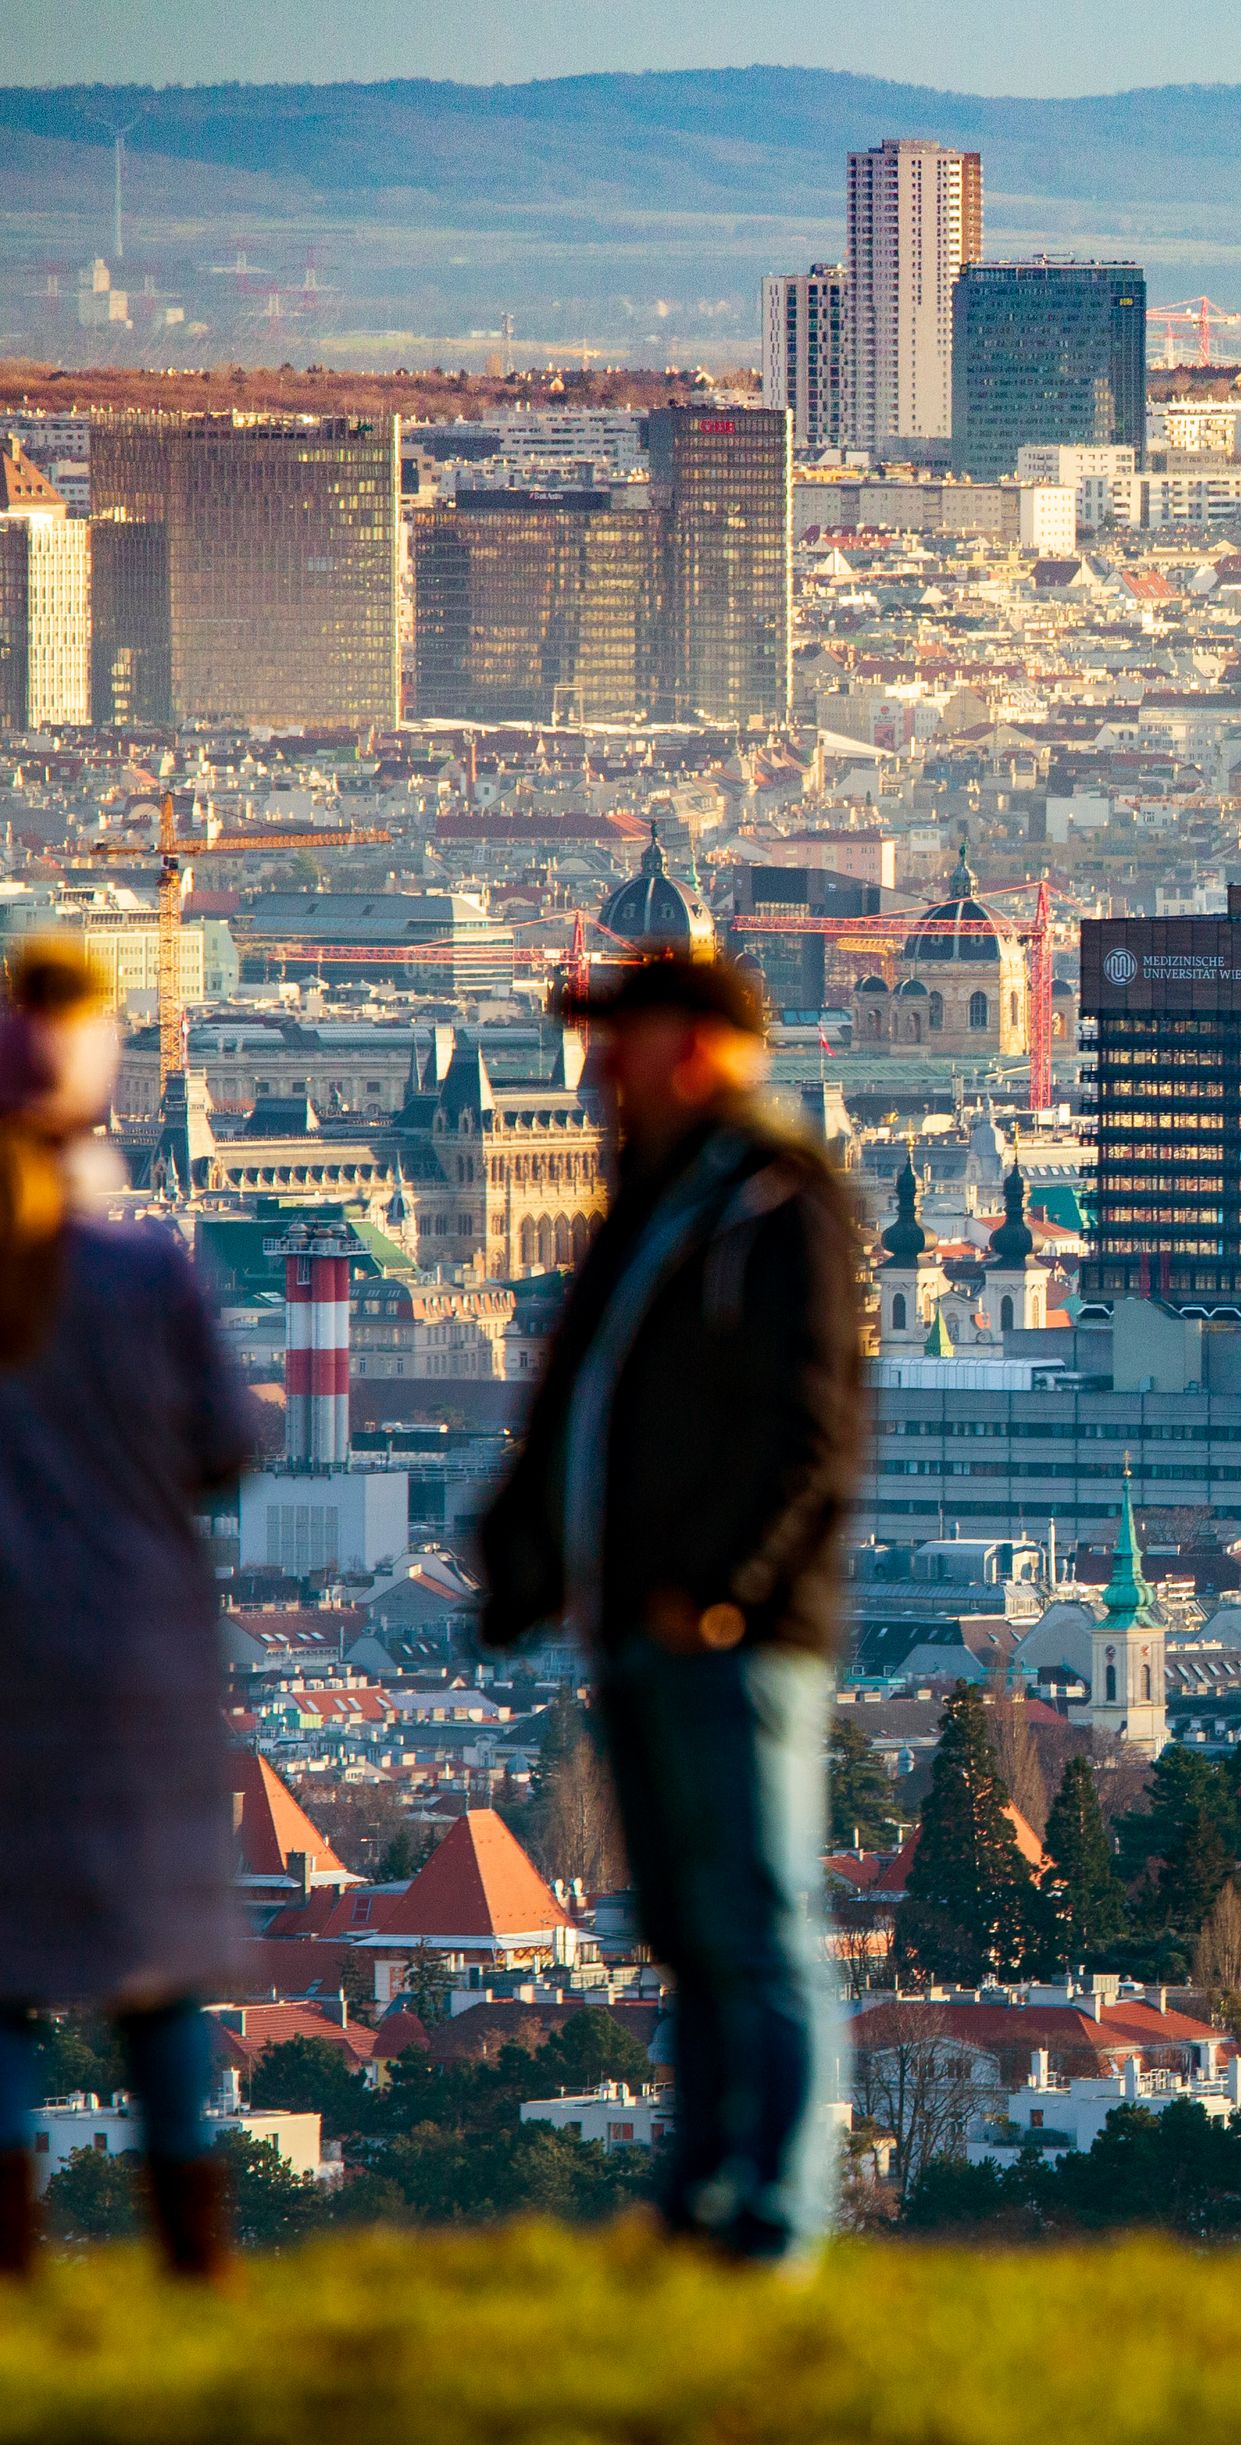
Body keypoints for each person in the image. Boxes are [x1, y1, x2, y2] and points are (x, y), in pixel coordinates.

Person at [0, 940, 273, 2283]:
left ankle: (6, 2253)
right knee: (154, 1965)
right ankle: (192, 2252)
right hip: (133, 1656)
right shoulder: (152, 1275)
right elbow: (228, 1441)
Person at [475, 947, 863, 2268]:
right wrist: (523, 1560)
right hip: (643, 1625)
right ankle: (704, 2200)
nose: (594, 1070)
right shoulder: (658, 1202)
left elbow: (811, 1436)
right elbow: (580, 1407)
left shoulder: (773, 1199)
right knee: (693, 1934)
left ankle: (774, 2214)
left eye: (618, 1042)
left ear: (696, 1048)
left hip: (731, 1636)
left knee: (757, 1923)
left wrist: (713, 1592)